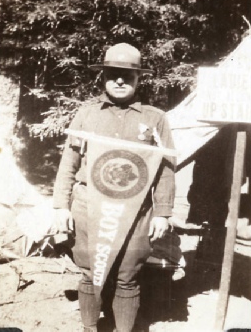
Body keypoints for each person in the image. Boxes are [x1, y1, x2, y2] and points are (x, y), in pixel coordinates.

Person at [53, 43, 176, 332]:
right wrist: (60, 206)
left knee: (127, 275)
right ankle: (89, 328)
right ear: (104, 76)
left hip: (135, 210)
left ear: (138, 79)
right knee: (89, 272)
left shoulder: (154, 118)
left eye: (128, 75)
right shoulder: (86, 114)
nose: (120, 81)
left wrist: (163, 212)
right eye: (113, 74)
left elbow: (166, 169)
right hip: (88, 206)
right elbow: (68, 163)